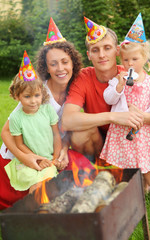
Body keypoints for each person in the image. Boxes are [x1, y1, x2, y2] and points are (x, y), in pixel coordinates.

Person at [0, 18, 89, 209]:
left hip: (50, 151)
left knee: (81, 167)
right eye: (53, 64)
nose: (60, 69)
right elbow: (6, 132)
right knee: (39, 191)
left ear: (73, 62)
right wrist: (26, 158)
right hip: (20, 153)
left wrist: (63, 150)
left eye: (65, 62)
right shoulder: (37, 93)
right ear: (46, 67)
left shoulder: (73, 89)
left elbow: (62, 130)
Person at [62, 16, 150, 160]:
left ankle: (140, 174)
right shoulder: (83, 77)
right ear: (89, 55)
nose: (102, 55)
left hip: (131, 138)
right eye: (95, 50)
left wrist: (140, 117)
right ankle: (100, 171)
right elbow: (67, 120)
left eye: (107, 48)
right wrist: (114, 117)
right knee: (79, 135)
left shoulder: (131, 74)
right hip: (100, 137)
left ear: (117, 50)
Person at [100, 13, 150, 199]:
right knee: (121, 161)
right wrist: (118, 86)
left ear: (144, 58)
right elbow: (109, 99)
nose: (129, 63)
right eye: (125, 60)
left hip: (140, 131)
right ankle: (120, 188)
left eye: (134, 59)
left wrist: (142, 116)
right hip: (119, 129)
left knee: (145, 162)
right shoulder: (120, 79)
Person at [4, 50, 62, 194]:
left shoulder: (47, 110)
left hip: (49, 159)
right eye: (27, 96)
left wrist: (54, 158)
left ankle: (42, 212)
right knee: (34, 187)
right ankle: (34, 213)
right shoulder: (17, 117)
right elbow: (19, 144)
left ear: (42, 94)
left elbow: (56, 135)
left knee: (46, 184)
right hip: (28, 161)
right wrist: (36, 159)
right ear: (17, 96)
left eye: (37, 95)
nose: (33, 101)